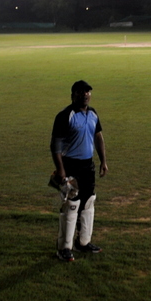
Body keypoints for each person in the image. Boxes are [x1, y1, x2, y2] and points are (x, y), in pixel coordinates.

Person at [50, 80, 108, 262]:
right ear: (73, 95)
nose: (85, 95)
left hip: (87, 166)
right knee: (71, 205)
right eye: (81, 92)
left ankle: (83, 242)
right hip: (70, 166)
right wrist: (60, 170)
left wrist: (103, 161)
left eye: (88, 92)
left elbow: (98, 137)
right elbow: (55, 146)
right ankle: (64, 248)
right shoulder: (64, 116)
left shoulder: (93, 114)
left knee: (88, 202)